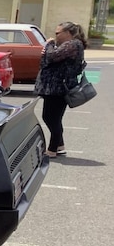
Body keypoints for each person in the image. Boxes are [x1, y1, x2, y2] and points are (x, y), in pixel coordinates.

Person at [34, 21, 86, 158]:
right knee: (53, 118)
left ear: (68, 33)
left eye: (58, 33)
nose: (55, 36)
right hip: (54, 87)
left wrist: (49, 44)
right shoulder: (68, 45)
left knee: (51, 117)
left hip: (58, 88)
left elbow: (52, 56)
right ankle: (59, 145)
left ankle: (52, 150)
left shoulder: (73, 44)